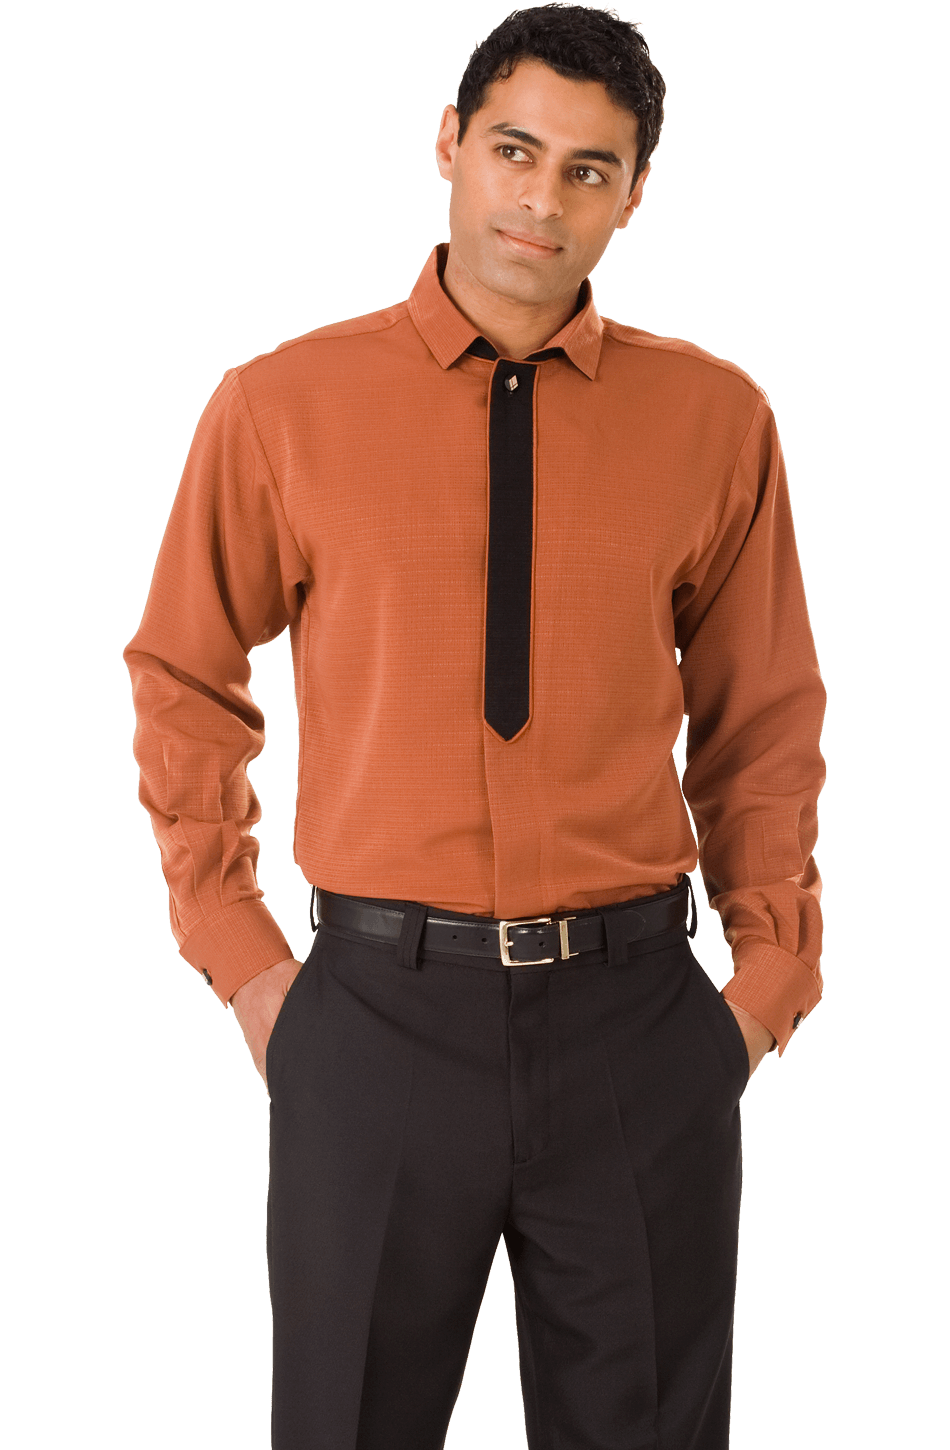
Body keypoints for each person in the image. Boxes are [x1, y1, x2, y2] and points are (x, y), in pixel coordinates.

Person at [122, 6, 826, 1447]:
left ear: (633, 195)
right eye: (514, 150)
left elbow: (761, 715)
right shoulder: (280, 405)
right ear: (448, 145)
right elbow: (184, 672)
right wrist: (246, 961)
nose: (540, 198)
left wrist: (763, 982)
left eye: (587, 169)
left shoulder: (715, 418)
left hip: (640, 1021)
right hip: (374, 1016)